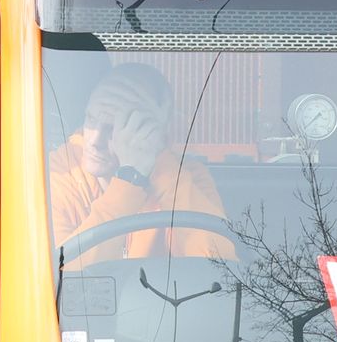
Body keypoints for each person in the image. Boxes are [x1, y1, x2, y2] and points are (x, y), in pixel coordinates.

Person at [47, 59, 232, 261]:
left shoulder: (185, 177)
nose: (93, 140)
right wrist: (129, 181)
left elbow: (219, 265)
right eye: (90, 119)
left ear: (147, 133)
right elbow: (61, 275)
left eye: (112, 128)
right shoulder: (60, 171)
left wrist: (159, 160)